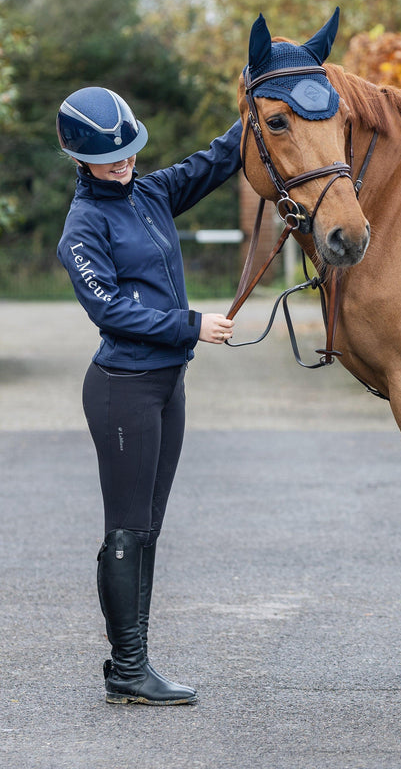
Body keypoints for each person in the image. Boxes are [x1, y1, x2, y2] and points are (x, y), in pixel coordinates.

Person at [56, 86, 243, 706]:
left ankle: (130, 665)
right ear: (81, 160)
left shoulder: (152, 192)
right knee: (128, 530)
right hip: (123, 390)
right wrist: (192, 324)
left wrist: (268, 105)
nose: (124, 164)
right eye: (110, 160)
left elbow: (216, 160)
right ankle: (128, 667)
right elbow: (109, 311)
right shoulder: (82, 227)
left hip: (167, 384)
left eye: (129, 153)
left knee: (149, 529)